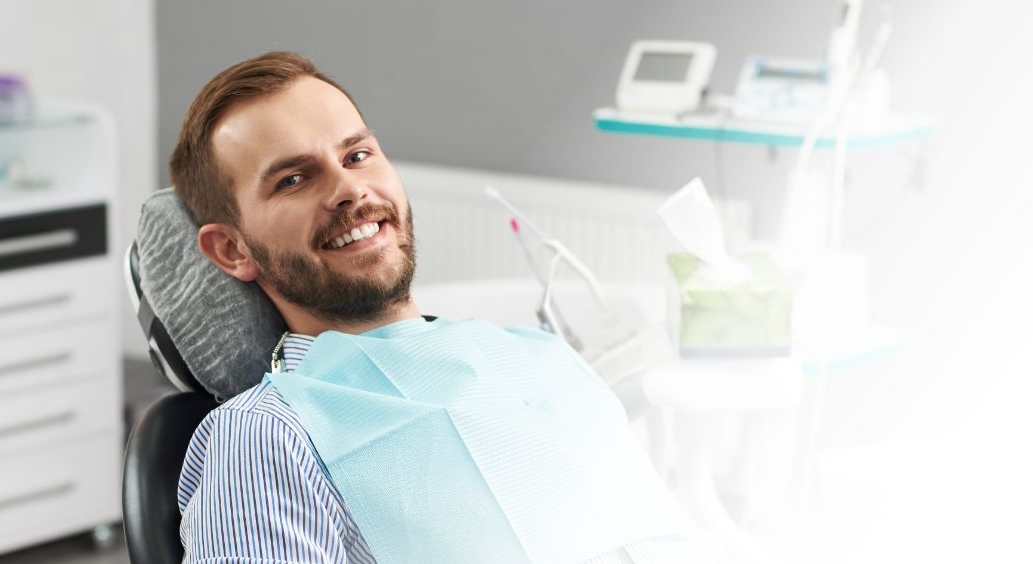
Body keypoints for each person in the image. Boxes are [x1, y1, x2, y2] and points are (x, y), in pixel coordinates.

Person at [170, 51, 705, 564]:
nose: (349, 189)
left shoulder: (540, 357)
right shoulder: (267, 441)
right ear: (232, 249)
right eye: (293, 179)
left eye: (357, 156)